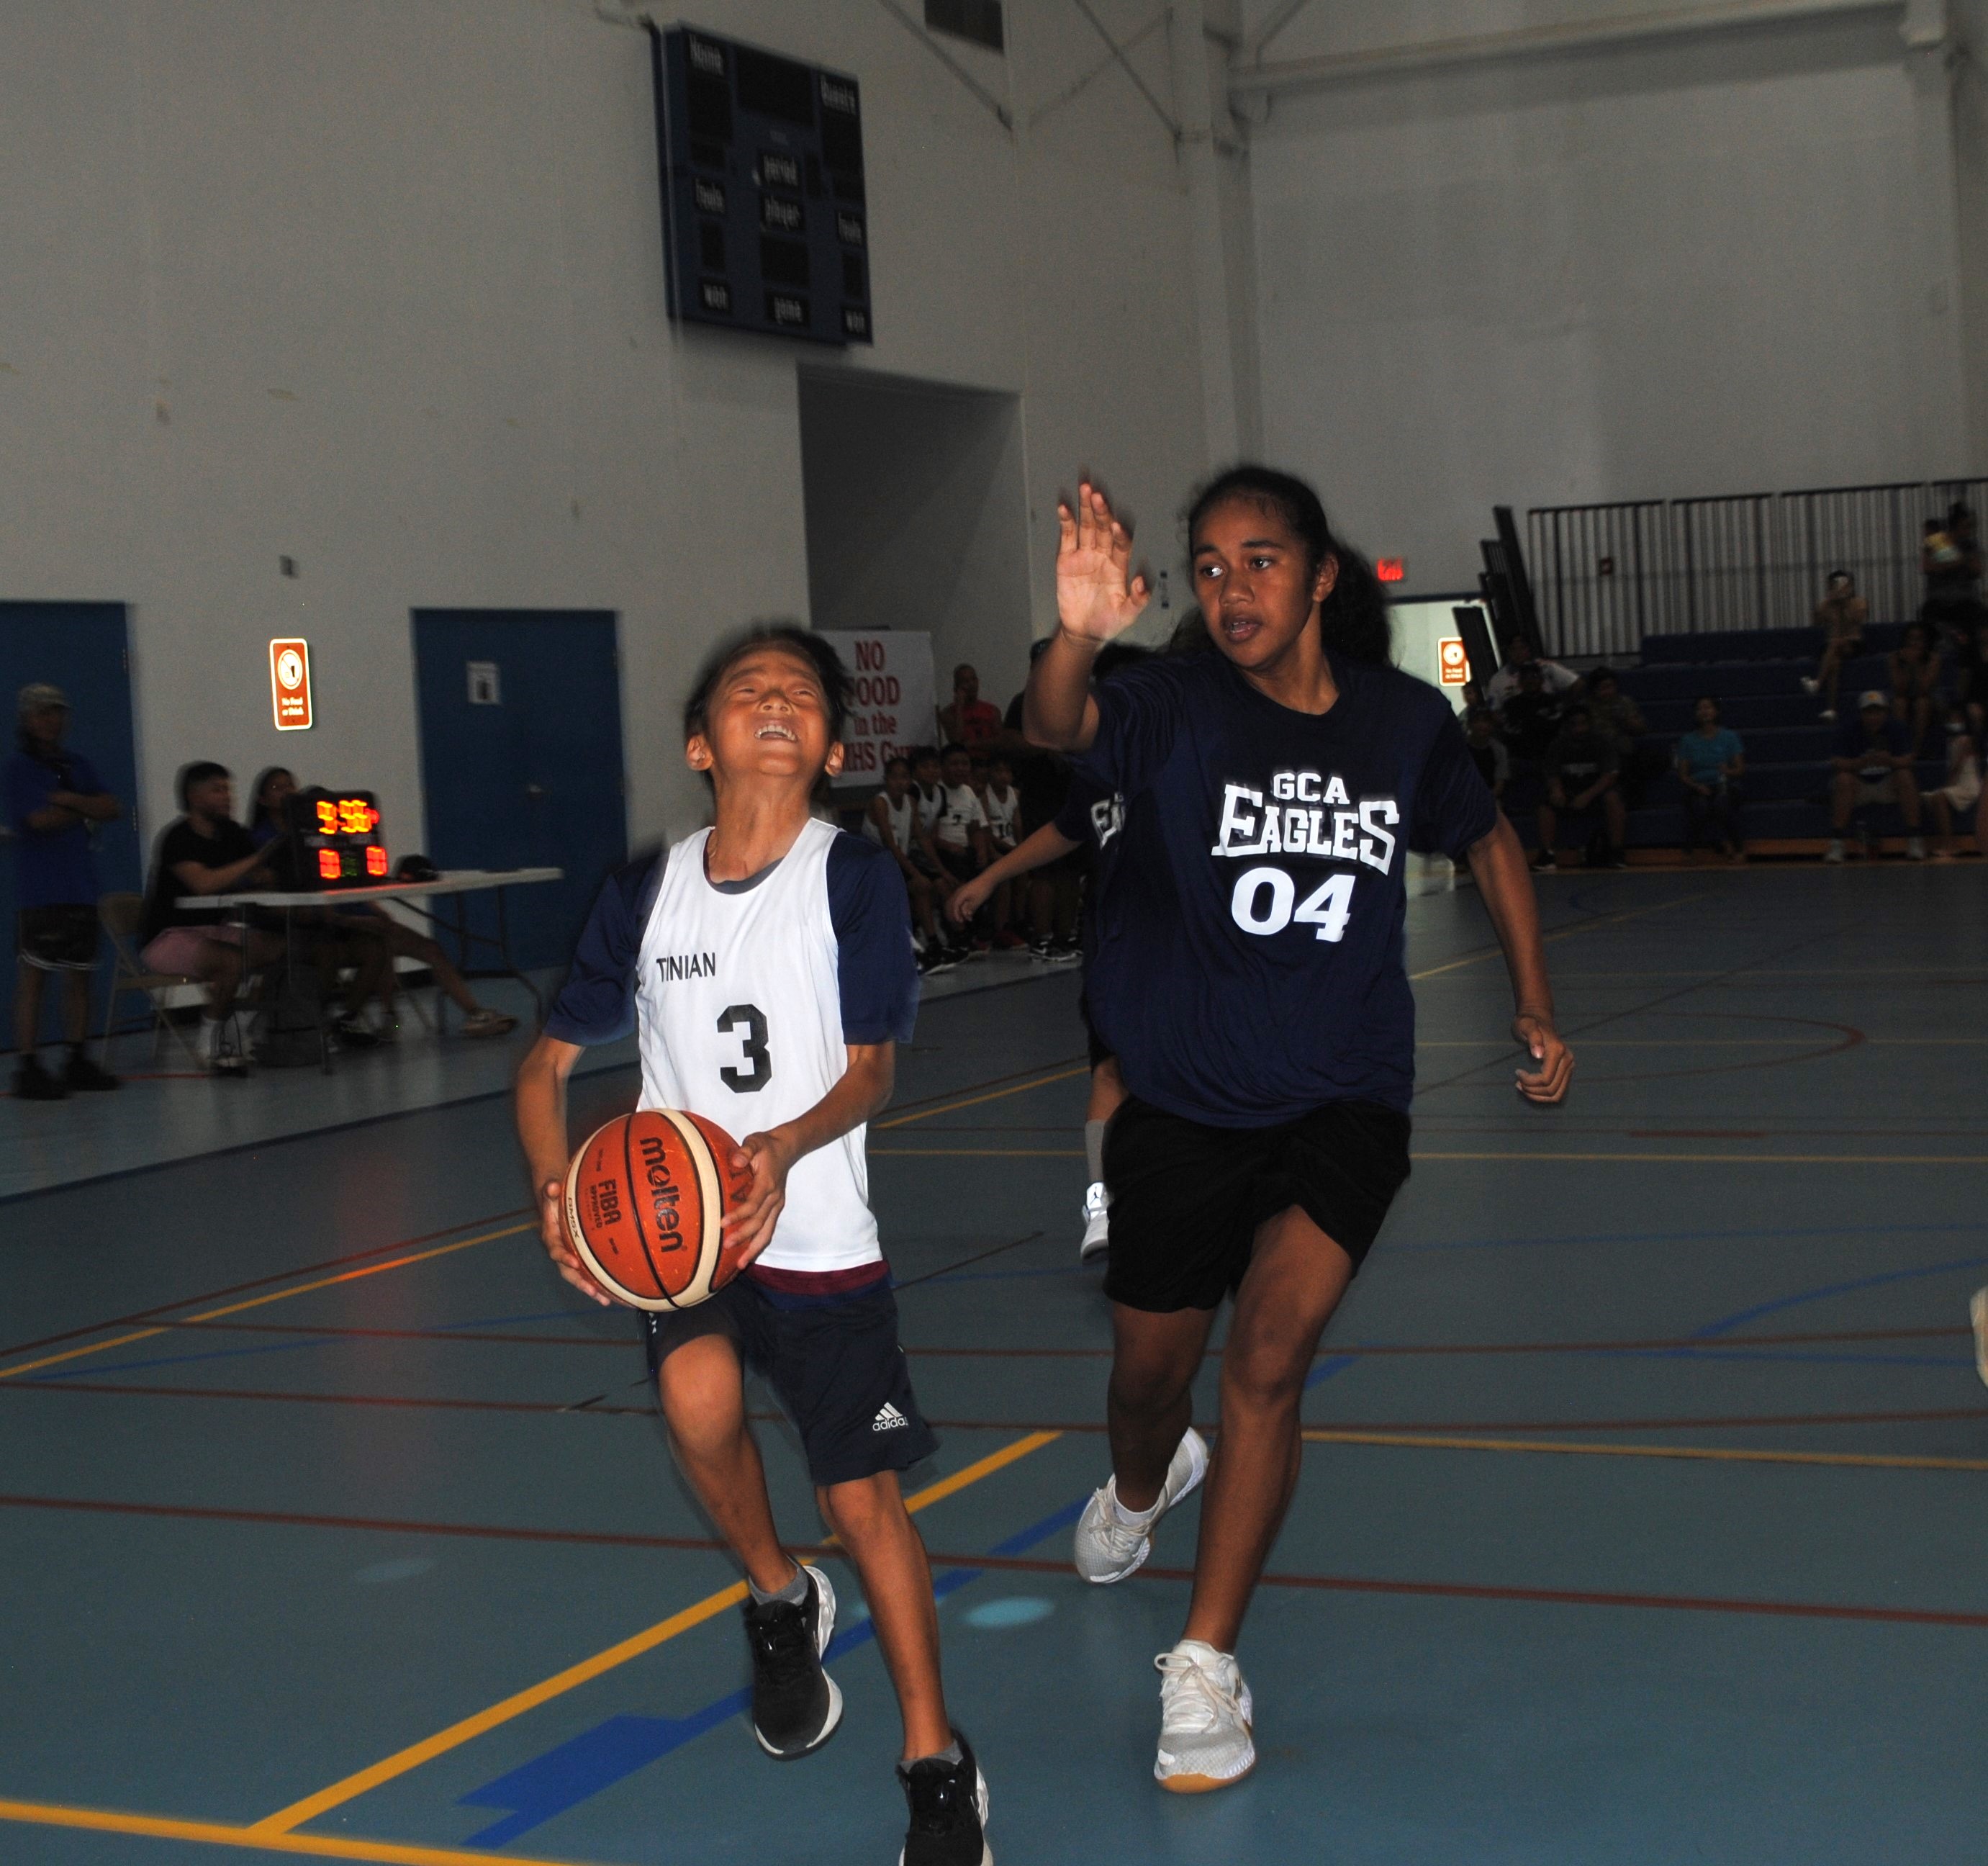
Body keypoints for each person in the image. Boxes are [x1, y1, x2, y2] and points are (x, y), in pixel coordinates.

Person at [1025, 469, 1572, 1794]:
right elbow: (1059, 727)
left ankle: (1207, 1662)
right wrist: (1082, 632)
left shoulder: (1397, 721)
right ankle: (1142, 1488)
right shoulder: (1169, 705)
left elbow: (1488, 839)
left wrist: (1535, 1005)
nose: (1229, 590)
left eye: (1259, 561)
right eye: (1206, 568)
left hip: (1345, 1093)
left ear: (1322, 575)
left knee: (1267, 1354)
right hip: (1182, 1103)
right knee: (1150, 1376)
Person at [512, 626, 991, 1865]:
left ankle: (935, 1761)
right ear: (699, 742)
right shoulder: (645, 892)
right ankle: (779, 1596)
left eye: (799, 694)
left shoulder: (851, 878)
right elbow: (548, 1065)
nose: (774, 699)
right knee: (693, 1389)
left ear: (829, 747)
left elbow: (874, 1067)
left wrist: (778, 1147)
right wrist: (556, 1187)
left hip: (819, 1232)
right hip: (689, 1242)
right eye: (745, 688)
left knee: (859, 1495)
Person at [244, 768, 517, 1040]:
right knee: (379, 945)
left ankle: (472, 1013)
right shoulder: (287, 848)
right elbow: (322, 910)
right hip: (333, 930)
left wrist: (375, 909)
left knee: (427, 947)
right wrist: (360, 921)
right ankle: (382, 1019)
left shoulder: (340, 845)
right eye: (278, 788)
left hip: (359, 920)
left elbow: (354, 884)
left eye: (290, 785)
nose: (287, 792)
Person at [5, 683, 122, 1099]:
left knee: (81, 977)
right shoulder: (20, 768)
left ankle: (77, 1057)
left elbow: (111, 807)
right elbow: (37, 821)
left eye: (58, 712)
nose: (51, 720)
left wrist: (69, 800)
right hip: (42, 889)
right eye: (42, 713)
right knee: (35, 977)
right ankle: (29, 1064)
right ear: (27, 719)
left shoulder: (77, 764)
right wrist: (82, 807)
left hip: (81, 886)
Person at [139, 762, 284, 1075]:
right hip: (169, 936)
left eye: (228, 789)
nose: (227, 797)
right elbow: (203, 884)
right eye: (218, 790)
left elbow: (258, 873)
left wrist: (270, 871)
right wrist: (255, 860)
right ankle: (209, 1040)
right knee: (231, 962)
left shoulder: (231, 833)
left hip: (216, 930)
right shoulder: (177, 837)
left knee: (277, 949)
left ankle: (236, 1027)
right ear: (194, 796)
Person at [863, 754, 953, 970]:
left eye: (904, 778)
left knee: (932, 885)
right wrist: (915, 873)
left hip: (895, 865)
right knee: (919, 884)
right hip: (872, 867)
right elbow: (890, 845)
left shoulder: (911, 802)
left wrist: (942, 869)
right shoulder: (880, 803)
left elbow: (922, 839)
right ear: (886, 779)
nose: (900, 783)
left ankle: (932, 943)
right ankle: (910, 949)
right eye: (895, 778)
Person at [1826, 691, 1925, 862]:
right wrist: (1858, 763)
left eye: (1878, 712)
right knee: (1843, 780)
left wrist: (1890, 761)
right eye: (1869, 713)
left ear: (1886, 712)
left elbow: (1909, 759)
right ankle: (1837, 842)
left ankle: (1914, 839)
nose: (1874, 717)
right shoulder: (1848, 729)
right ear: (1861, 714)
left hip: (1887, 784)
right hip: (1859, 786)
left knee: (1905, 776)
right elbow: (1837, 761)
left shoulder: (1897, 728)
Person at [1537, 703, 1625, 870]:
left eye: (1583, 723)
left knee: (1613, 798)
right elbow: (1551, 772)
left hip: (1596, 791)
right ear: (1567, 726)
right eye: (1574, 724)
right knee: (1545, 802)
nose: (1579, 729)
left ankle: (1617, 852)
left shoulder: (1602, 742)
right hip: (1569, 791)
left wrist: (1587, 796)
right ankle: (1547, 855)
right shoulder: (1558, 744)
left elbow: (1611, 775)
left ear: (1590, 723)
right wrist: (1557, 790)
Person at [1674, 697, 1745, 861]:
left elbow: (1740, 769)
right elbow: (1683, 774)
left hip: (1725, 784)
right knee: (1701, 806)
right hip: (1698, 787)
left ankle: (1739, 848)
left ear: (1716, 711)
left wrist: (1728, 771)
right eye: (1700, 708)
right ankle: (1688, 851)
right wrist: (1696, 786)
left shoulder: (1729, 737)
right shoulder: (1688, 740)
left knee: (1722, 804)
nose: (1705, 711)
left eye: (1708, 707)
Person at [1801, 570, 1867, 721]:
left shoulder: (1859, 602)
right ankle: (1832, 709)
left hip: (1853, 642)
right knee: (1835, 664)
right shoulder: (1826, 604)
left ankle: (1817, 683)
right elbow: (1816, 623)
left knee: (1835, 643)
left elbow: (1859, 620)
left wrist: (1844, 605)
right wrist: (1829, 604)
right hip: (1833, 646)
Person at [1583, 667, 1652, 806]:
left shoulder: (1624, 703)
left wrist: (1625, 720)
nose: (1608, 691)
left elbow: (1642, 729)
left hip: (1625, 753)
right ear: (1594, 690)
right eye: (1603, 688)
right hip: (1600, 757)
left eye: (1611, 686)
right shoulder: (1587, 708)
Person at [1926, 705, 1982, 859]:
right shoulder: (1951, 742)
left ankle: (1950, 845)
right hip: (1959, 785)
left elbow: (1957, 769)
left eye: (1957, 718)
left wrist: (1946, 787)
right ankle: (1943, 841)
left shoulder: (1966, 741)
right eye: (1951, 719)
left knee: (1939, 797)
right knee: (1929, 798)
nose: (1954, 722)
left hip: (1969, 786)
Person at [1887, 621, 1940, 757]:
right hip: (1904, 695)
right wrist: (1907, 665)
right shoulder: (1894, 658)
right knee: (1899, 703)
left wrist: (1916, 665)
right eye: (1911, 638)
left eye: (1919, 639)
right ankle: (1903, 747)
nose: (1914, 643)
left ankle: (1916, 750)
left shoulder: (1933, 658)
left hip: (1929, 697)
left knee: (1922, 703)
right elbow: (1899, 689)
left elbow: (1925, 688)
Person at [1482, 636, 1579, 710]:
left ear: (1529, 649)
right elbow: (1494, 711)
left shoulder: (1547, 668)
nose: (1518, 653)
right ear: (1508, 652)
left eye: (1522, 648)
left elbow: (1578, 684)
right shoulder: (1498, 680)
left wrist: (1566, 707)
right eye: (1513, 649)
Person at [935, 662, 1001, 748]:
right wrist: (959, 708)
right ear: (956, 687)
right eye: (966, 681)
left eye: (974, 679)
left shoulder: (992, 710)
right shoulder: (948, 714)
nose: (971, 684)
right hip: (964, 759)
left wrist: (971, 744)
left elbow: (1000, 742)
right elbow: (956, 742)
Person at [1463, 706, 1508, 803]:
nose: (1483, 725)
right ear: (1470, 724)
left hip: (1490, 799)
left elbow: (1499, 785)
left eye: (1486, 721)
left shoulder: (1499, 749)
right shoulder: (1460, 748)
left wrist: (1484, 800)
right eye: (1477, 721)